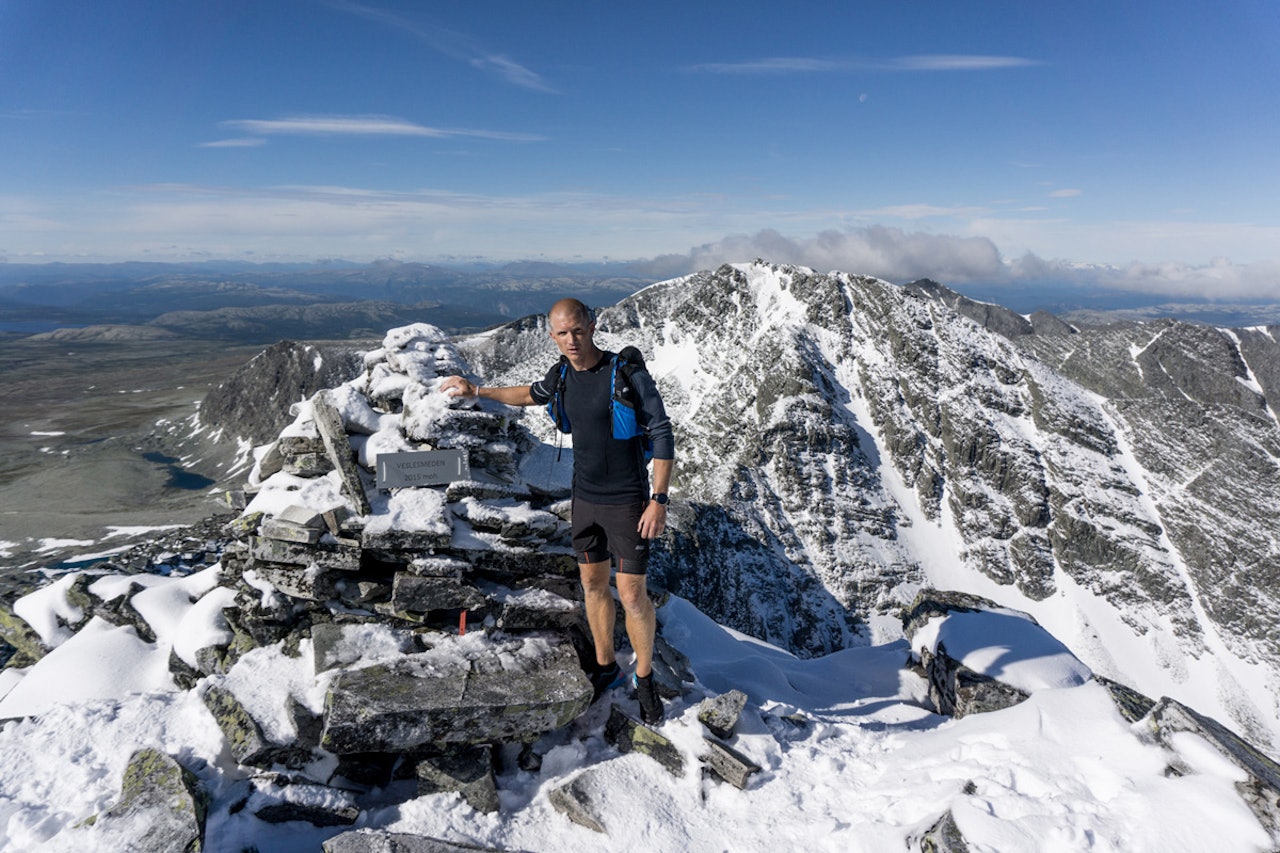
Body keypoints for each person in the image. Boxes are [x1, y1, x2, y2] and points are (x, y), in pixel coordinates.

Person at [440, 298, 675, 724]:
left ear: (592, 325)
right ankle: (606, 668)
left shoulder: (626, 375)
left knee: (633, 594)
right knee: (591, 583)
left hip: (628, 502)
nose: (571, 340)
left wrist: (658, 500)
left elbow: (662, 434)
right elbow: (530, 394)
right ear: (552, 335)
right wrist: (477, 390)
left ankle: (644, 676)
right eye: (562, 333)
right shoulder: (562, 375)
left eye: (578, 331)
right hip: (584, 500)